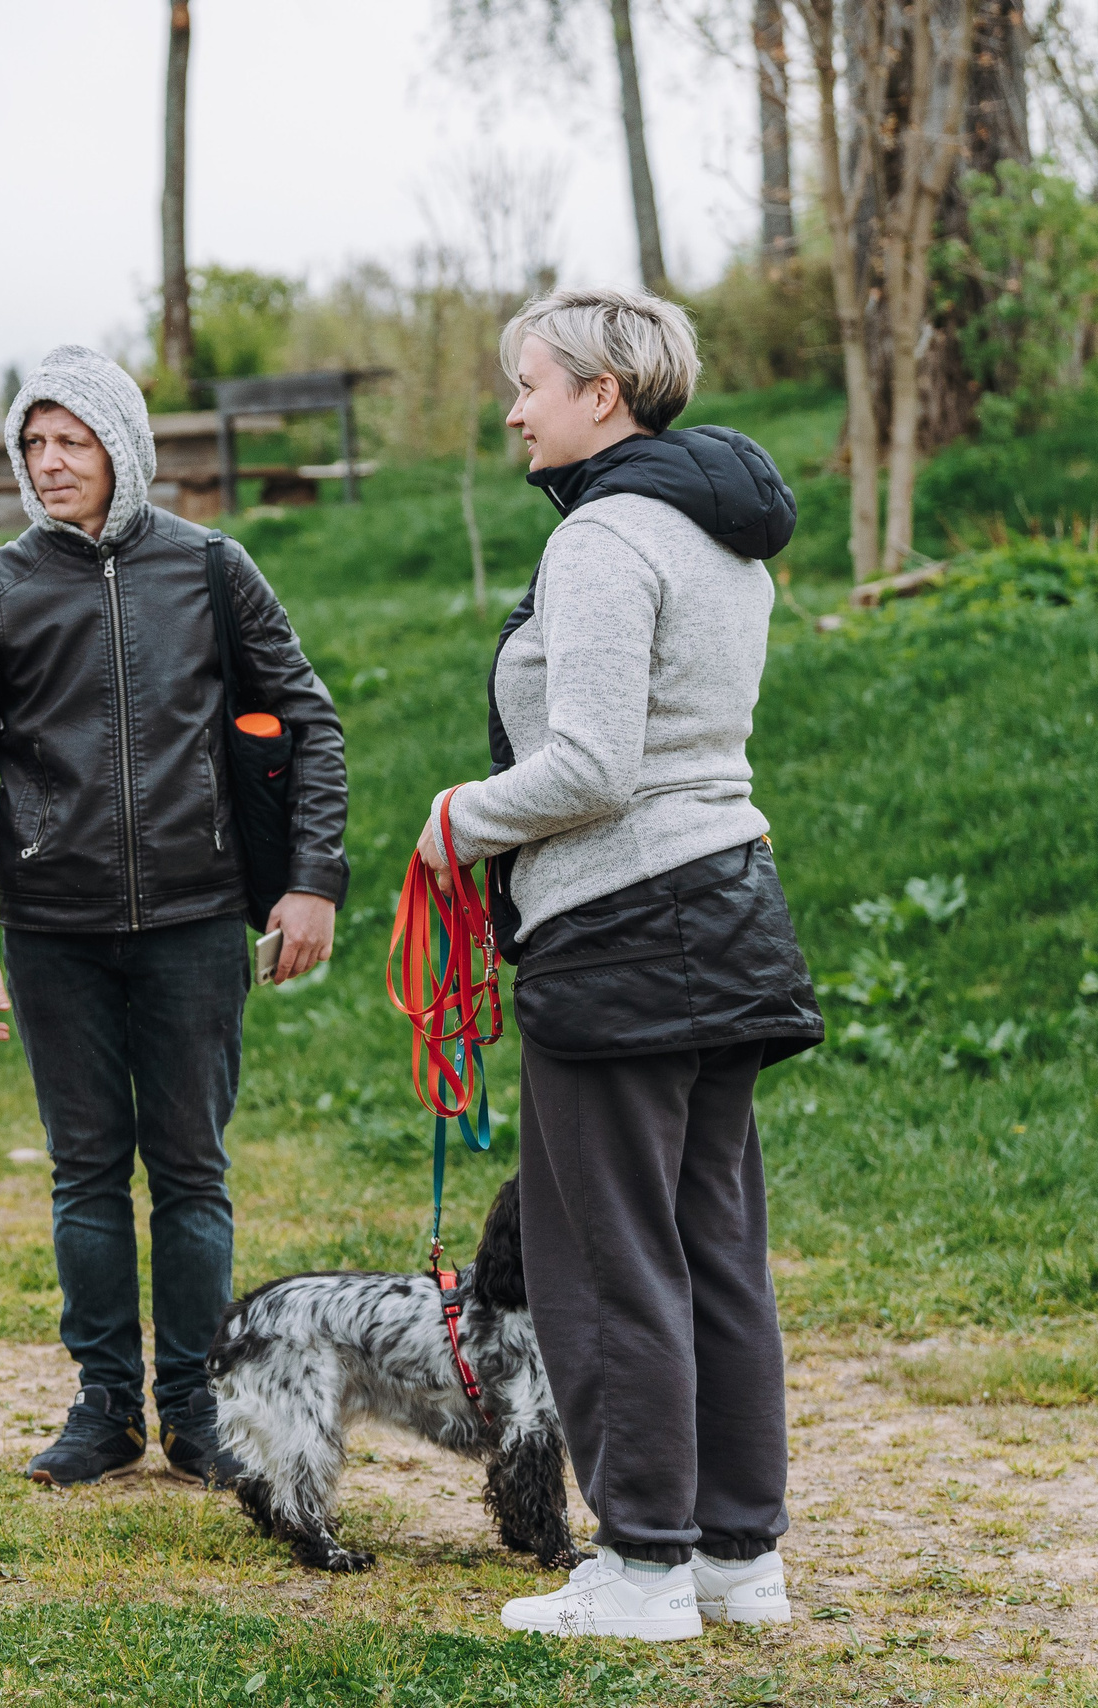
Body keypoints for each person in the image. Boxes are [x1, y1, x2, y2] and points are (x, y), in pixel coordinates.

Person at [415, 288, 822, 1642]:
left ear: (603, 392)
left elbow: (591, 767)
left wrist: (459, 818)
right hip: (730, 907)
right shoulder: (725, 534)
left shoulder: (602, 538)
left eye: (528, 381)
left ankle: (643, 1567)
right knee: (715, 1248)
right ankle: (734, 1560)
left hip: (623, 932)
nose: (513, 406)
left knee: (607, 1256)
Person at [0, 345, 349, 1487]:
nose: (49, 464)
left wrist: (311, 880)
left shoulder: (211, 568)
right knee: (85, 1173)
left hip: (198, 921)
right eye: (33, 444)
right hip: (52, 930)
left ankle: (196, 1409)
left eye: (72, 441)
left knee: (192, 1171)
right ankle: (104, 1408)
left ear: (125, 449)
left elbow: (308, 723)